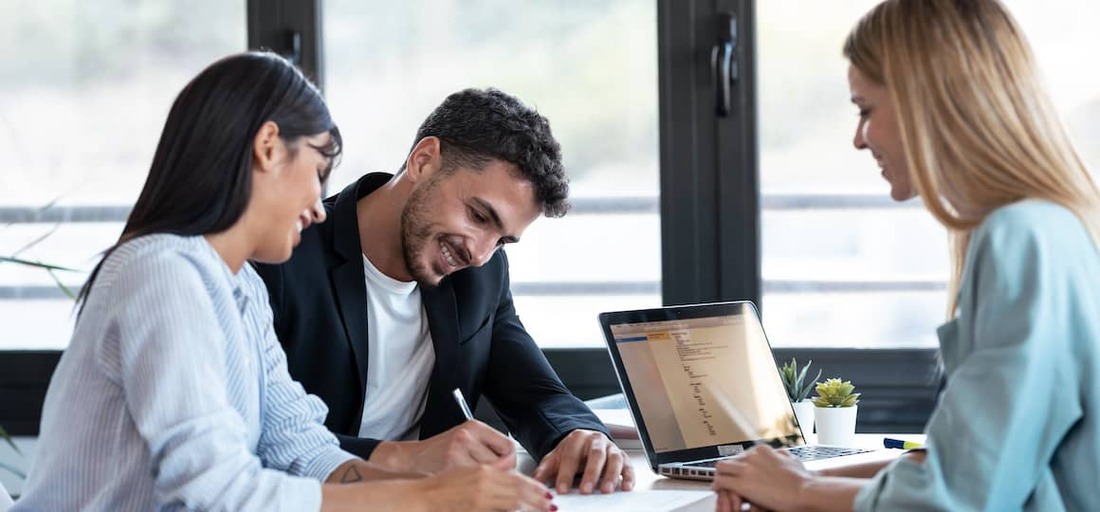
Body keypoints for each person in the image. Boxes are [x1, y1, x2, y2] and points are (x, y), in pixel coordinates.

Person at [13, 52, 554, 512]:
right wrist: (429, 499)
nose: (320, 208)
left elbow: (302, 449)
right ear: (269, 147)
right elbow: (218, 491)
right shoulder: (161, 273)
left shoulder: (239, 286)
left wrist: (435, 482)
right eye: (318, 172)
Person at [712, 0, 1100, 510]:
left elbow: (959, 497)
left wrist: (801, 490)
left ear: (926, 100)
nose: (858, 138)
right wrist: (791, 476)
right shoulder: (1050, 225)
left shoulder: (1020, 237)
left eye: (865, 109)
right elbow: (963, 459)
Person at [251, 87, 635, 495]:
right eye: (478, 215)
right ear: (424, 160)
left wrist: (579, 434)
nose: (480, 252)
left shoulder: (480, 275)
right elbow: (255, 441)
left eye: (502, 240)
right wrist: (408, 460)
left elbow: (534, 392)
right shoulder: (281, 259)